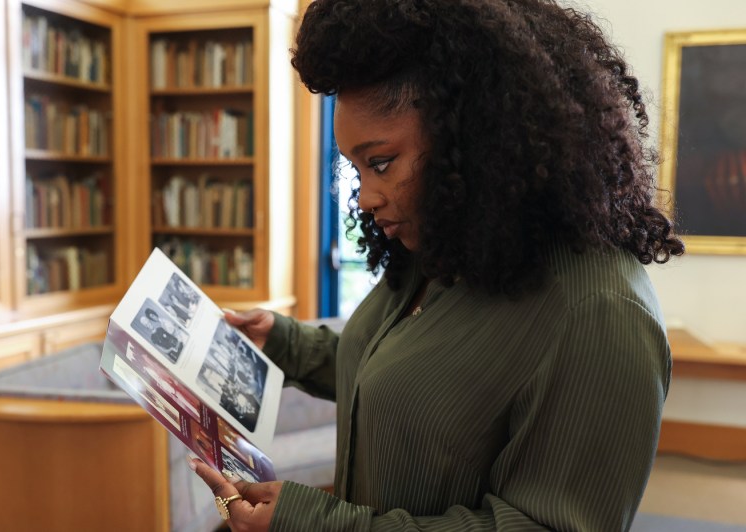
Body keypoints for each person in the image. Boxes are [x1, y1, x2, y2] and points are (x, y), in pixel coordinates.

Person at [187, 0, 685, 530]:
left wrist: (319, 524)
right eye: (356, 168)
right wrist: (286, 344)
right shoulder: (445, 248)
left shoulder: (599, 312)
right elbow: (410, 384)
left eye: (381, 163)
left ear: (472, 135)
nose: (365, 198)